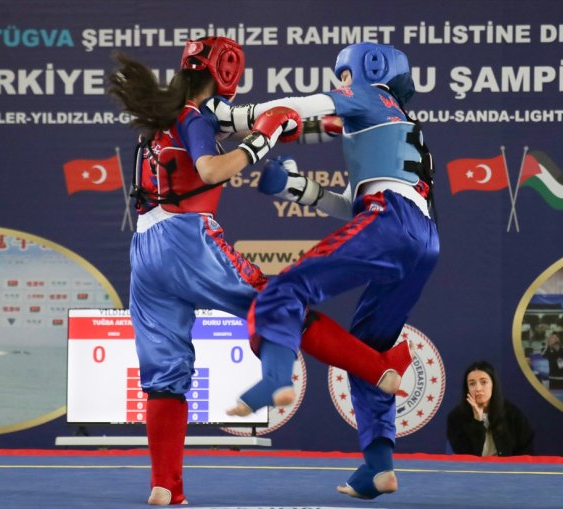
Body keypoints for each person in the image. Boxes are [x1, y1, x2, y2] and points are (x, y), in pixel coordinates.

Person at [107, 37, 417, 506]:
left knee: (165, 373)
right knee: (278, 303)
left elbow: (275, 124)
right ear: (226, 74)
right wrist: (260, 143)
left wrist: (282, 129)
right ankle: (379, 370)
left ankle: (165, 485)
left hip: (144, 254)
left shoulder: (159, 121)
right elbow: (211, 170)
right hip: (187, 240)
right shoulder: (194, 115)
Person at [205, 42, 438, 500]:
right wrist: (296, 188)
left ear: (369, 69)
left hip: (390, 219)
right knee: (369, 352)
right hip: (422, 237)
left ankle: (275, 376)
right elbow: (353, 205)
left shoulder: (371, 95)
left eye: (344, 75)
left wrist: (235, 118)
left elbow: (305, 107)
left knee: (283, 289)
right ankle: (379, 466)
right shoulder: (396, 124)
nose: (341, 83)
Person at [446, 361, 535, 456]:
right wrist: (477, 422)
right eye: (472, 384)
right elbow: (465, 456)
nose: (478, 388)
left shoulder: (512, 414)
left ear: (493, 384)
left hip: (506, 469)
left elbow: (526, 452)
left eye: (483, 382)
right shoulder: (456, 418)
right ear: (467, 388)